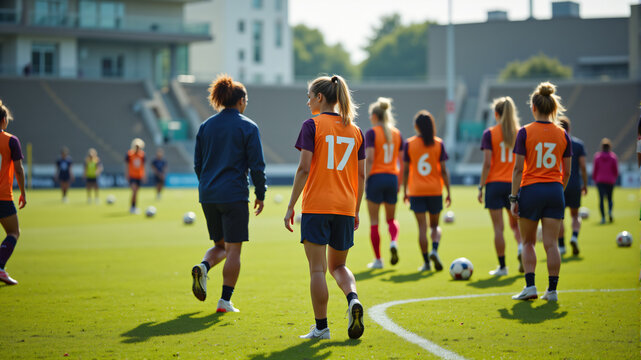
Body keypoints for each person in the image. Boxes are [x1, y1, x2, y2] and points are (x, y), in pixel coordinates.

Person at [284, 75, 365, 340]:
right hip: (344, 207)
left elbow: (304, 168)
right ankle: (352, 299)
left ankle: (321, 328)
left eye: (309, 96)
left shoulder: (312, 126)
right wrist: (356, 209)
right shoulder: (355, 131)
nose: (307, 102)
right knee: (338, 267)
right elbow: (361, 176)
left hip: (317, 206)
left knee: (317, 270)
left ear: (320, 97)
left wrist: (290, 206)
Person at [191, 74, 266, 314]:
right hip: (234, 194)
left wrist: (207, 185)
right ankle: (225, 301)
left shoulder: (205, 126)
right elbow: (257, 166)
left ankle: (203, 266)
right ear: (241, 100)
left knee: (220, 246)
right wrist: (261, 193)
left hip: (208, 194)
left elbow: (197, 164)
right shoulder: (248, 126)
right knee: (234, 250)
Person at [510, 82, 571, 302]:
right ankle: (552, 291)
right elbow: (567, 171)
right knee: (552, 244)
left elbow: (518, 168)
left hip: (531, 189)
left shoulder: (525, 132)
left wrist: (513, 198)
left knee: (527, 242)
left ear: (533, 108)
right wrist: (557, 191)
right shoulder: (563, 134)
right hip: (555, 189)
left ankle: (530, 287)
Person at [478, 97, 523, 276]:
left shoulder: (490, 133)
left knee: (498, 229)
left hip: (494, 185)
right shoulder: (520, 133)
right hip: (514, 185)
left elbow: (487, 163)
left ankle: (503, 267)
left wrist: (481, 186)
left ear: (496, 114)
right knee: (516, 225)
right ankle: (521, 248)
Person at [402, 110, 451, 272]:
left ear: (416, 126)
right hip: (435, 190)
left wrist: (405, 191)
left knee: (422, 228)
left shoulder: (409, 143)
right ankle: (435, 250)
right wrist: (449, 191)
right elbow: (443, 171)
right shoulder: (438, 143)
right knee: (435, 226)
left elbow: (406, 171)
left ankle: (426, 263)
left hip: (416, 190)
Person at [364, 97, 404, 269]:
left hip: (376, 178)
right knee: (391, 219)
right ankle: (393, 242)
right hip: (391, 178)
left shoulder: (372, 133)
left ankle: (378, 260)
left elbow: (370, 158)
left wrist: (365, 179)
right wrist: (399, 183)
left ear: (374, 116)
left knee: (374, 222)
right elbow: (401, 162)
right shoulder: (397, 134)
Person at [0, 99, 26, 285]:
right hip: (2, 196)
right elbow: (18, 169)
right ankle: (0, 267)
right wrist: (23, 192)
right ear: (4, 121)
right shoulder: (11, 141)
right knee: (13, 232)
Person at [557, 116, 587, 255]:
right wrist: (585, 184)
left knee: (559, 217)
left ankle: (561, 246)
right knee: (575, 216)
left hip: (559, 184)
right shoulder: (578, 144)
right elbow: (583, 166)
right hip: (574, 183)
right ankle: (574, 237)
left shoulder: (556, 142)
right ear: (569, 128)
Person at [592, 138, 618, 224]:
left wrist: (595, 179)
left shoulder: (597, 156)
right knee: (610, 199)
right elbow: (615, 170)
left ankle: (603, 217)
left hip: (600, 180)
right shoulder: (613, 157)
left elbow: (595, 169)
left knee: (601, 199)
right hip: (610, 181)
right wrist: (614, 177)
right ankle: (610, 211)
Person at [125, 139, 146, 214]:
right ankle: (132, 207)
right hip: (132, 175)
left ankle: (134, 206)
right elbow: (127, 165)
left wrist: (144, 175)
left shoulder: (142, 155)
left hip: (139, 176)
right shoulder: (129, 154)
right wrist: (127, 174)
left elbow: (143, 166)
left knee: (136, 192)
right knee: (134, 191)